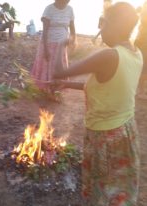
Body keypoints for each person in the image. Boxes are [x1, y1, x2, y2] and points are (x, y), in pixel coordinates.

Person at [52, 2, 141, 205]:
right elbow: (106, 86)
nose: (99, 28)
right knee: (120, 188)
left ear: (113, 24)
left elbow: (58, 71)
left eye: (102, 23)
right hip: (126, 131)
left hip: (105, 137)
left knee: (104, 190)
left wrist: (61, 44)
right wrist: (67, 85)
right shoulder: (135, 54)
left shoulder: (109, 55)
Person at [30, 0, 76, 98]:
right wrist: (46, 49)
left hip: (62, 44)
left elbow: (72, 28)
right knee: (47, 66)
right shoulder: (49, 9)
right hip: (48, 42)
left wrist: (73, 41)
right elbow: (45, 31)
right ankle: (46, 89)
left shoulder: (70, 9)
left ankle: (55, 90)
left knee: (58, 67)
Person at [135, 0, 147, 99]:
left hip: (142, 41)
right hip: (143, 42)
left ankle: (141, 89)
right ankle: (141, 90)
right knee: (143, 67)